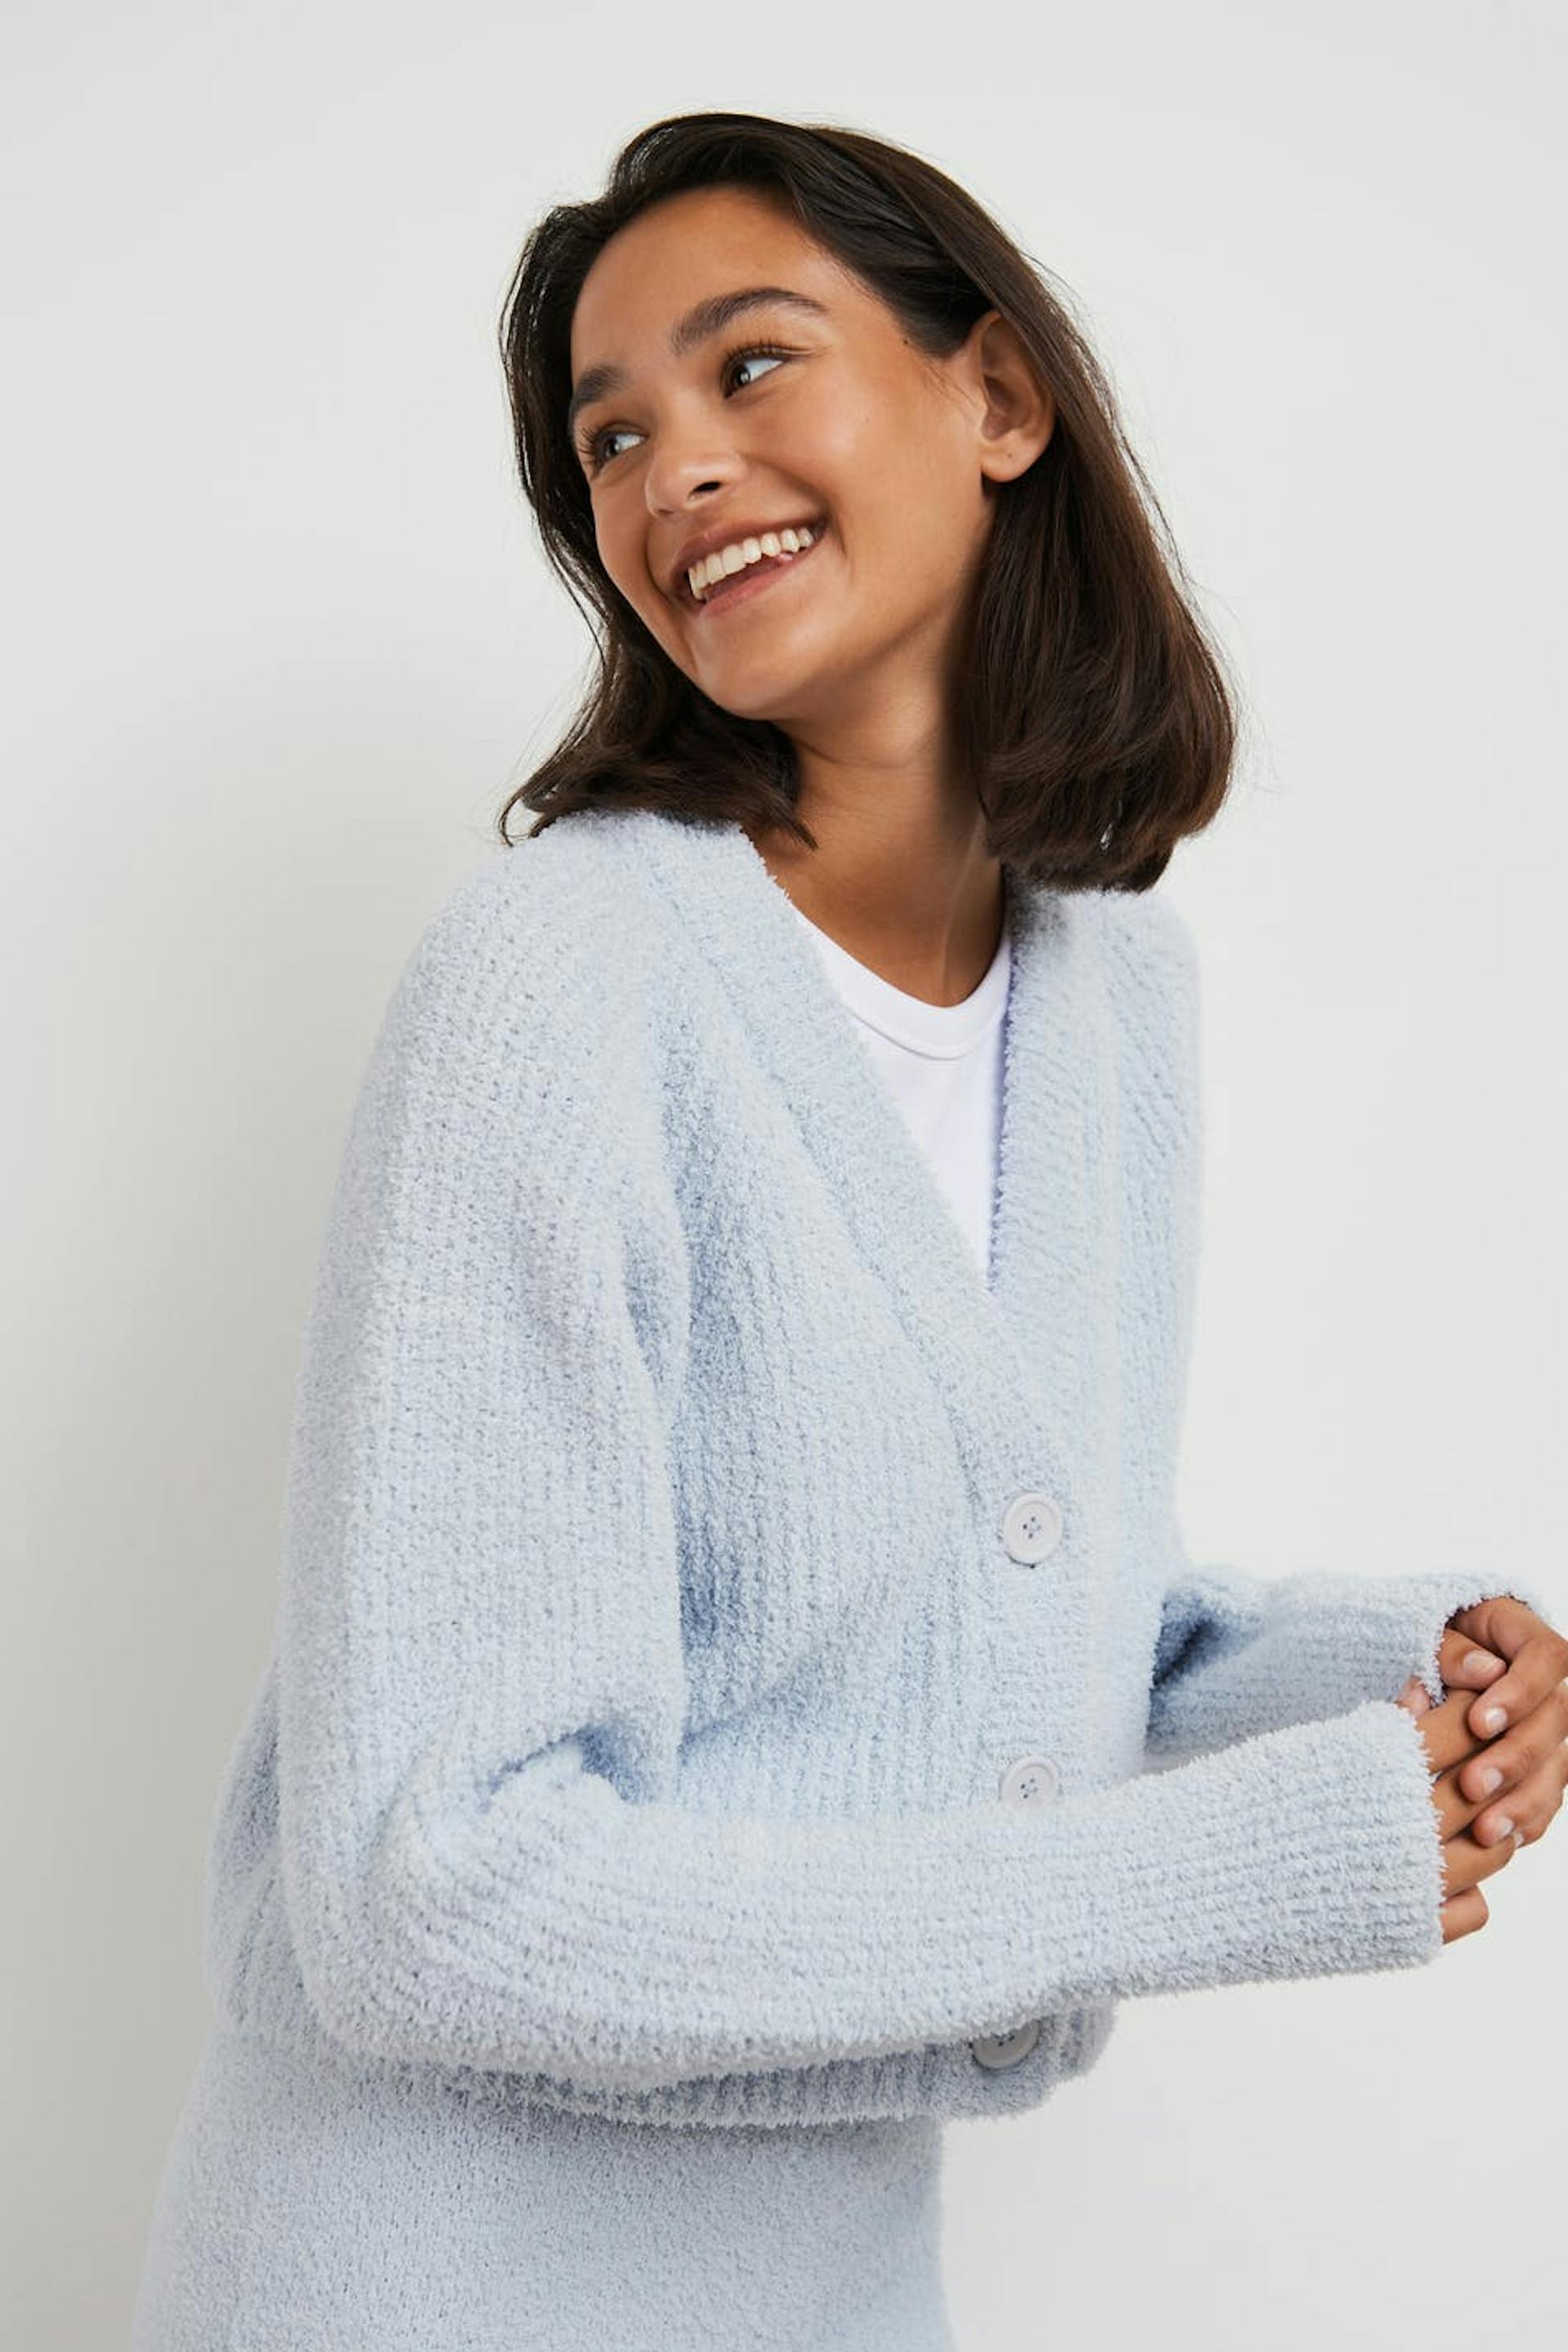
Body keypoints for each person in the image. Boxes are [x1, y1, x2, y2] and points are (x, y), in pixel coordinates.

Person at [127, 110, 1566, 2351]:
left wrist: (1415, 1674)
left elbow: (1014, 1631)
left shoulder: (1113, 997)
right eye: (611, 438)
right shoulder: (558, 986)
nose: (674, 471)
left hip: (833, 2277)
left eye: (749, 365)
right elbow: (431, 1893)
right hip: (426, 2280)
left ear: (998, 398)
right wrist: (1243, 1864)